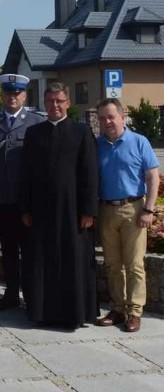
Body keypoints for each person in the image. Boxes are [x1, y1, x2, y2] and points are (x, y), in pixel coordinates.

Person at [21, 82, 98, 330]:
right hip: (41, 212)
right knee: (41, 260)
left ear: (68, 103)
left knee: (73, 261)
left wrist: (89, 210)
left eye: (59, 101)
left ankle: (73, 315)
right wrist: (25, 208)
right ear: (44, 103)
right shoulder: (34, 133)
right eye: (50, 101)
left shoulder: (81, 132)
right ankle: (41, 313)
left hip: (72, 211)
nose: (54, 105)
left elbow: (90, 172)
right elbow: (26, 175)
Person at [95, 98, 159, 333]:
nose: (107, 121)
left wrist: (148, 209)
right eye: (102, 118)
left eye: (111, 116)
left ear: (122, 117)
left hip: (133, 209)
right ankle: (118, 308)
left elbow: (153, 177)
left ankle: (134, 312)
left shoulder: (139, 142)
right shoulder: (97, 144)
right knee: (112, 265)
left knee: (134, 265)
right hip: (106, 209)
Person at [0, 74, 44, 311]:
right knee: (8, 250)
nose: (12, 97)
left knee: (30, 251)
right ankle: (11, 294)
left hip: (27, 201)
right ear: (2, 95)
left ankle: (32, 297)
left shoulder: (35, 123)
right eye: (8, 93)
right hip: (2, 200)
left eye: (17, 93)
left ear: (24, 95)